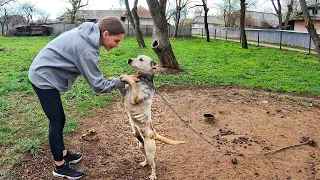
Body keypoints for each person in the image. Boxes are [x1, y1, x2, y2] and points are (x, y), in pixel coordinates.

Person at [28, 16, 139, 179]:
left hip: (45, 72)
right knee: (57, 121)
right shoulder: (86, 49)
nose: (117, 46)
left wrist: (118, 80)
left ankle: (63, 153)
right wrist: (123, 81)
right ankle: (59, 167)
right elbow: (98, 86)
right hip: (43, 78)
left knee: (60, 119)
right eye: (116, 41)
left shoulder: (88, 33)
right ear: (106, 34)